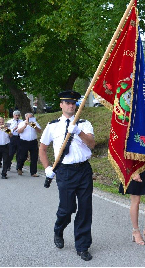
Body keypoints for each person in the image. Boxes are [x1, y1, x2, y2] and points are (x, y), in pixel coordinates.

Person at [39, 90, 95, 261]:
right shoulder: (52, 125)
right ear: (61, 105)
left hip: (83, 170)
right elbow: (42, 148)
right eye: (68, 103)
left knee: (85, 209)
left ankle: (82, 246)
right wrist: (47, 167)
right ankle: (59, 229)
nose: (71, 105)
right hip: (65, 171)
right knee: (67, 208)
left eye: (74, 103)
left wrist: (78, 131)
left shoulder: (84, 124)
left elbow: (92, 144)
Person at [119, 125, 145, 246]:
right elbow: (123, 152)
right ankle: (135, 231)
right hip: (132, 168)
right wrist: (132, 172)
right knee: (136, 201)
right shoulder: (127, 130)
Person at [16, 113, 41, 177]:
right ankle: (19, 168)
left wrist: (35, 127)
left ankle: (33, 172)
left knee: (34, 157)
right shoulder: (22, 123)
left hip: (33, 142)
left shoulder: (34, 123)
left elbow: (39, 131)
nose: (30, 118)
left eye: (31, 117)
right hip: (24, 142)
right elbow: (19, 131)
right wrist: (25, 125)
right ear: (26, 117)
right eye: (29, 117)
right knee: (22, 156)